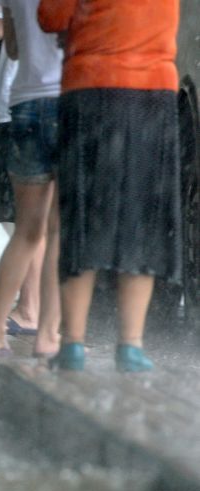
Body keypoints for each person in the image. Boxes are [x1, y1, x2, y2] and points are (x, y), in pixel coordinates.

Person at [37, 0, 182, 372]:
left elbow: (50, 17)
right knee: (143, 217)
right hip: (152, 94)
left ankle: (72, 344)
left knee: (84, 214)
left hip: (91, 92)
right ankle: (131, 345)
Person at [0, 0, 63, 359]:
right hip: (69, 100)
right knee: (57, 229)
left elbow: (5, 41)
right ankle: (49, 335)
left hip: (22, 102)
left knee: (26, 228)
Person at [0, 0, 41, 337]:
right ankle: (39, 312)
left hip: (18, 103)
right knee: (40, 219)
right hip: (59, 101)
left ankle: (29, 308)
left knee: (20, 217)